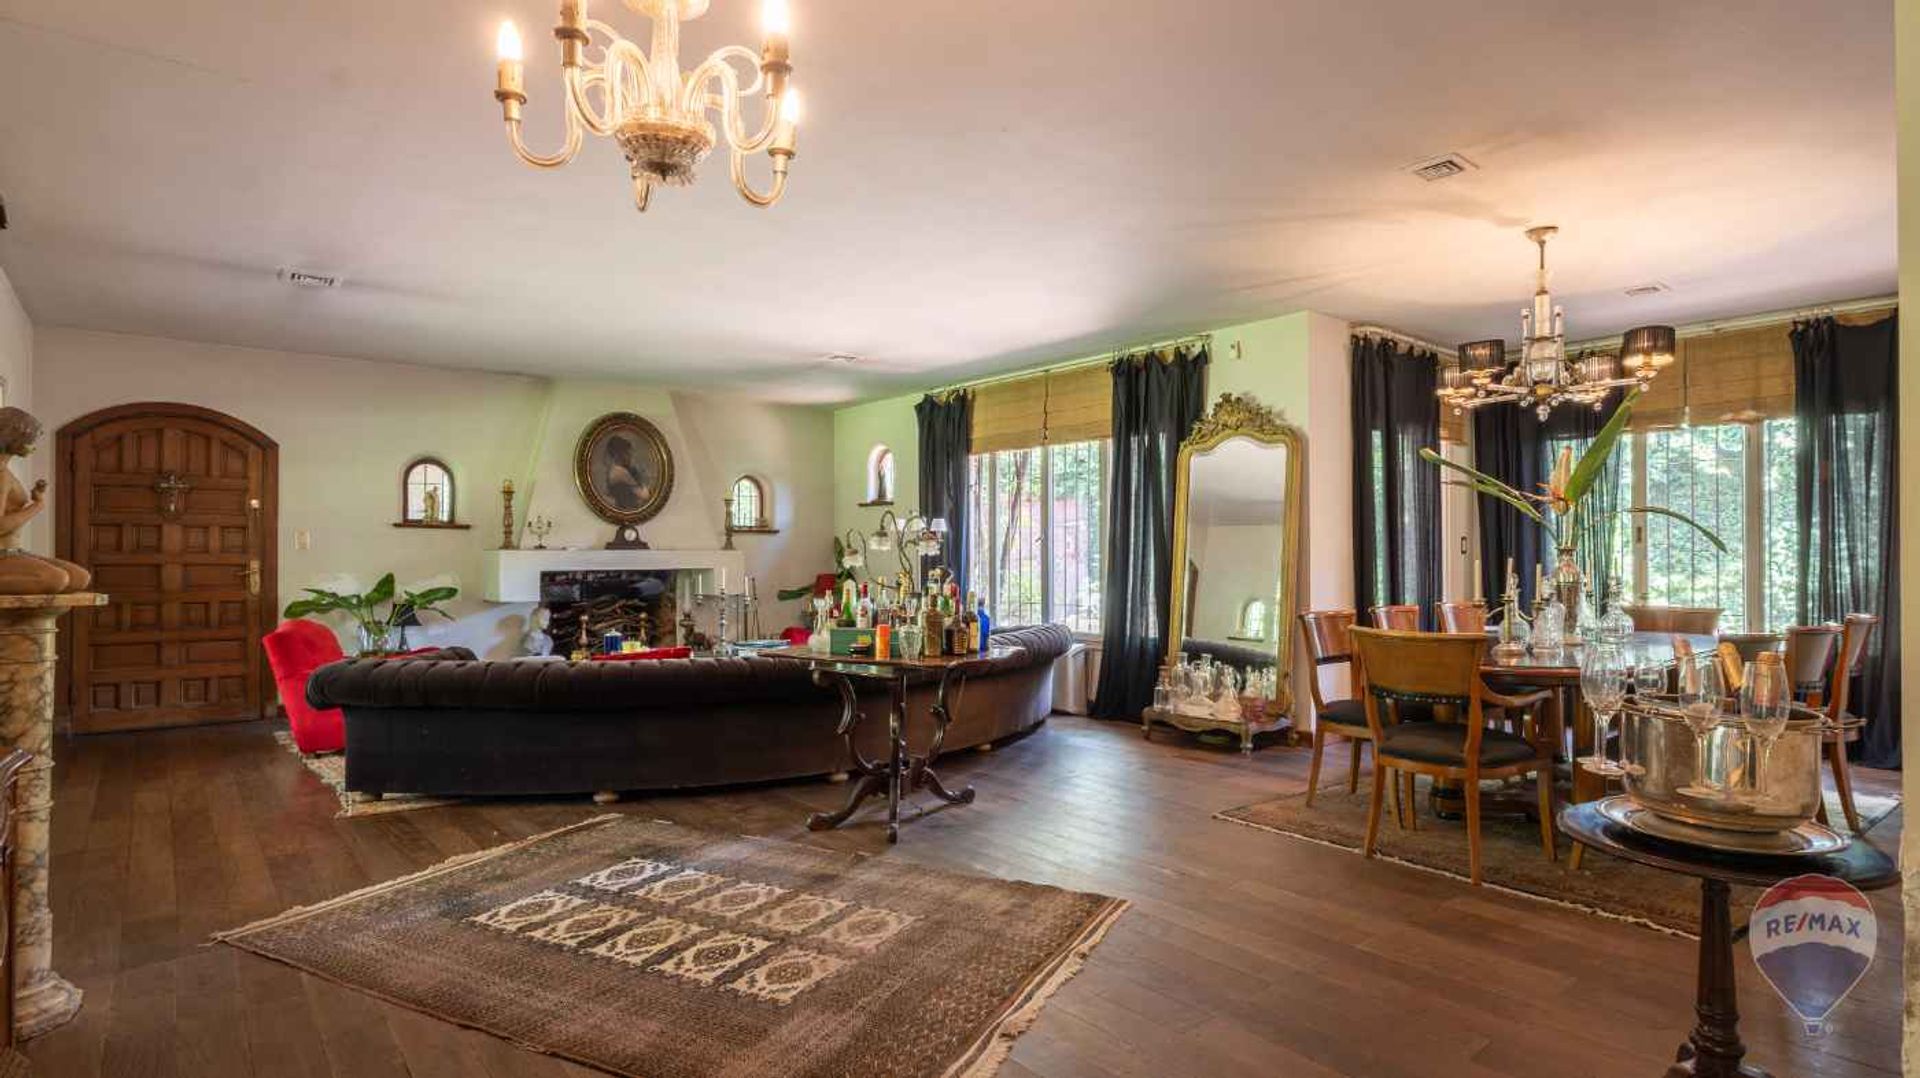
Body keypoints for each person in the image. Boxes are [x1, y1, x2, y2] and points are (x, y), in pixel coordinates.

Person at [0, 408, 92, 593]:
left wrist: (37, 498)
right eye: (29, 437)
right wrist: (37, 506)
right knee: (55, 579)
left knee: (79, 578)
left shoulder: (5, 470)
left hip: (13, 551)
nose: (32, 444)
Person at [603, 435, 653, 511]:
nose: (630, 457)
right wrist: (645, 483)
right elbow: (645, 496)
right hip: (628, 509)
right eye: (627, 454)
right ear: (618, 454)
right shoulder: (620, 472)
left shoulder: (613, 470)